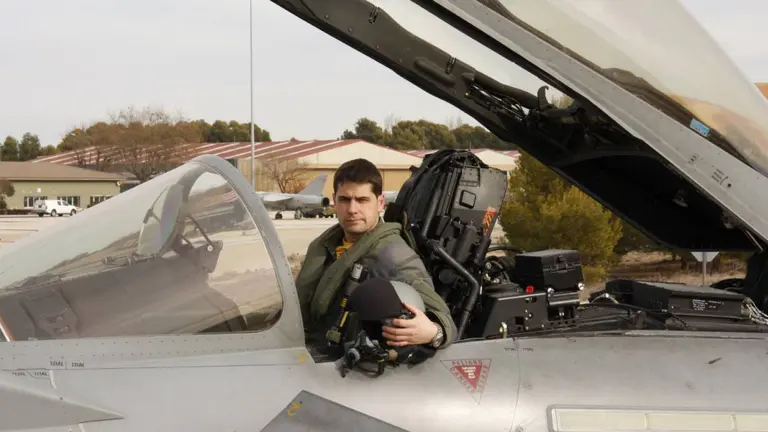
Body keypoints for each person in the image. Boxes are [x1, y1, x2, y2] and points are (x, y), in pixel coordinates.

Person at [295, 158, 456, 351]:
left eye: (362, 200)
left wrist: (433, 332)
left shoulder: (393, 256)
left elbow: (445, 320)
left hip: (348, 365)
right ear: (334, 201)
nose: (352, 209)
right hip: (307, 352)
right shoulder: (324, 245)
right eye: (345, 199)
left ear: (380, 203)